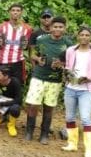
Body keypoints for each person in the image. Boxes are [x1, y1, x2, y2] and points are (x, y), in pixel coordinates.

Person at [61, 26, 91, 157]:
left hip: (86, 89)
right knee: (69, 117)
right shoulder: (70, 50)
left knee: (86, 118)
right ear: (78, 36)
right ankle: (72, 144)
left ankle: (88, 150)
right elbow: (68, 68)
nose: (84, 37)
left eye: (87, 35)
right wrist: (66, 76)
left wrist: (90, 78)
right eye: (82, 35)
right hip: (71, 88)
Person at [25, 16, 72, 144]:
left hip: (55, 80)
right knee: (33, 105)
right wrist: (38, 59)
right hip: (39, 76)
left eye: (60, 27)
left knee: (49, 107)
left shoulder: (68, 44)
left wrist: (62, 65)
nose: (58, 29)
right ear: (50, 28)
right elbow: (33, 54)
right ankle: (29, 132)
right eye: (55, 27)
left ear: (64, 28)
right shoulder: (41, 40)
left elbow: (71, 62)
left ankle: (44, 134)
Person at [0, 3, 32, 83]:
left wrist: (25, 45)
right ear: (9, 12)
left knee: (17, 85)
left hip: (18, 61)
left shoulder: (27, 28)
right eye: (13, 10)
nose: (15, 12)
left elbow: (26, 47)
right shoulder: (1, 27)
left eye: (18, 10)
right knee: (0, 86)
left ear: (21, 12)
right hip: (3, 60)